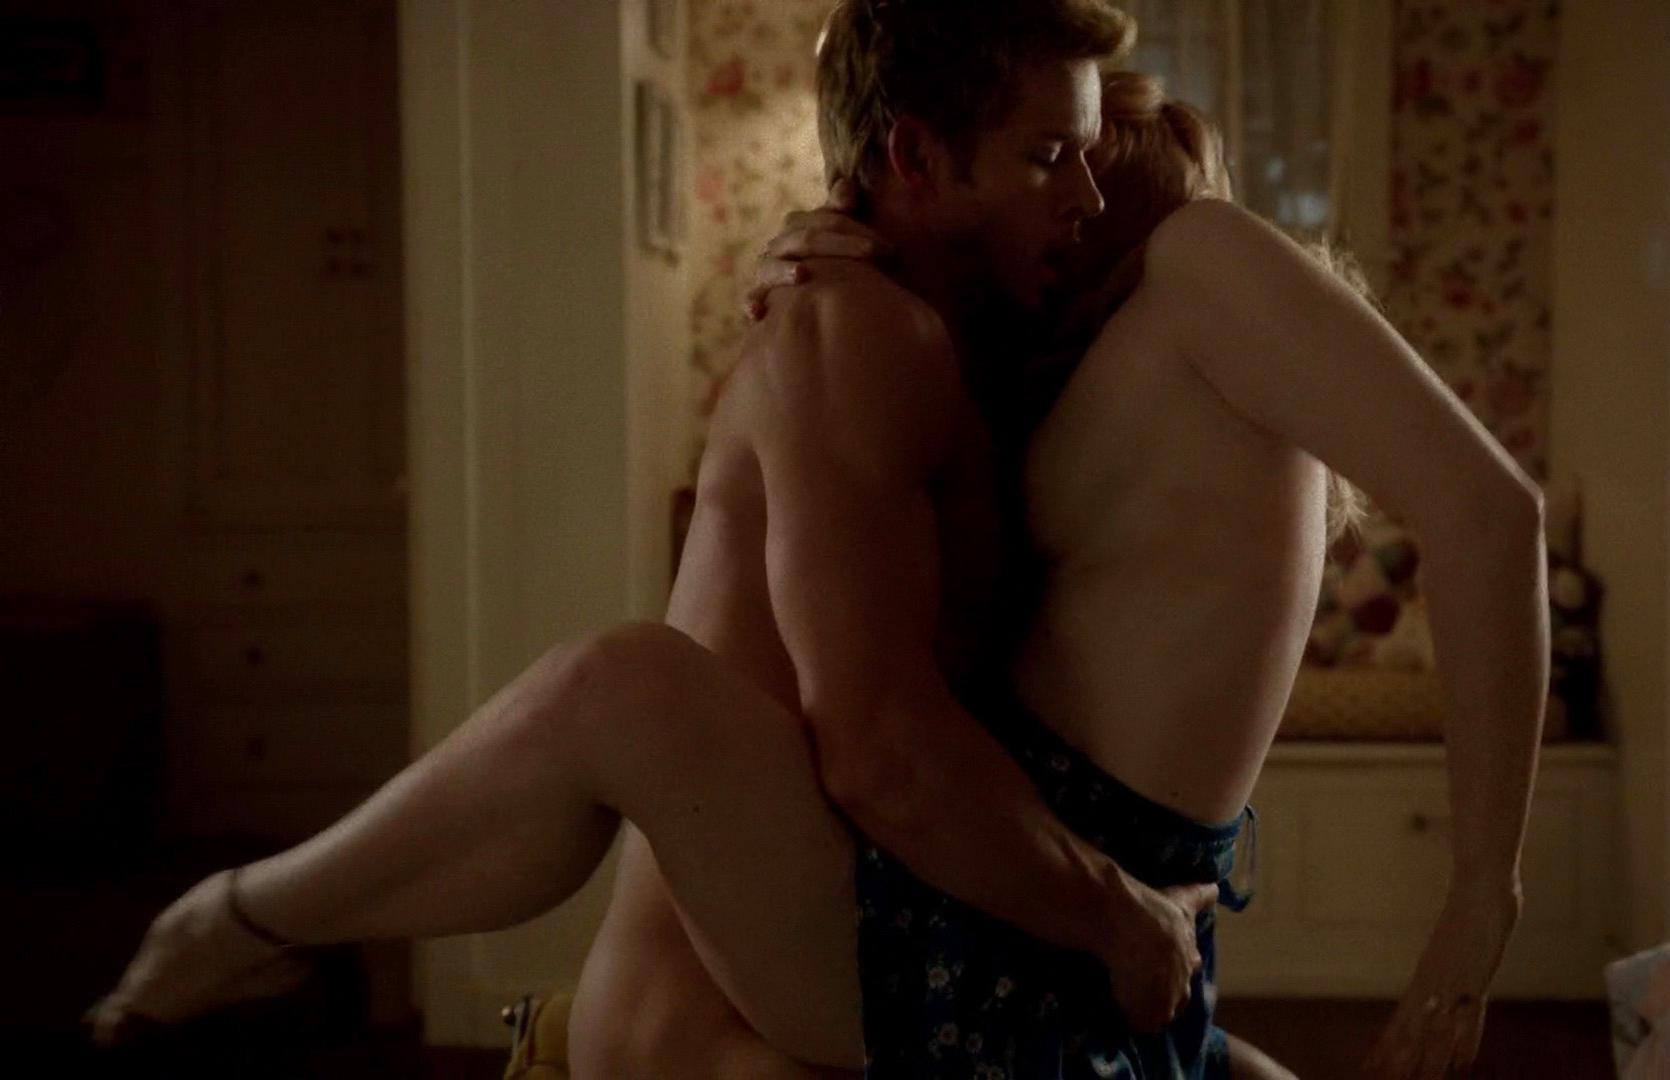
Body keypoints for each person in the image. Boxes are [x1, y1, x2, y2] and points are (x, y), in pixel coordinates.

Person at [88, 1, 1226, 1072]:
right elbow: (881, 750)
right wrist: (1113, 913)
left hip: (810, 963)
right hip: (711, 1013)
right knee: (625, 682)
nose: (1084, 199)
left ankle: (245, 921)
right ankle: (242, 920)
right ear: (919, 158)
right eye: (1048, 157)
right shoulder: (861, 333)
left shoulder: (959, 354)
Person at [590, 69, 1548, 1080]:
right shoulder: (1064, 388)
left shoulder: (1200, 261)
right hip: (1036, 898)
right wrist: (827, 256)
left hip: (1061, 909)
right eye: (1039, 164)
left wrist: (1480, 900)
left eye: (1062, 167)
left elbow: (1492, 514)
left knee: (617, 713)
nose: (1048, 205)